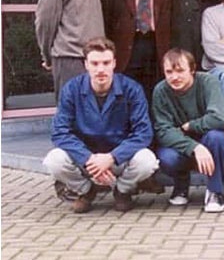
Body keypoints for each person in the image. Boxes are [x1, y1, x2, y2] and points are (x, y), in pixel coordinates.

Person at [43, 37, 157, 213]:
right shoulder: (71, 89)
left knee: (147, 161)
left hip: (119, 159)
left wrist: (111, 158)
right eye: (95, 63)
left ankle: (122, 191)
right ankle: (86, 191)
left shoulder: (132, 89)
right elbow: (59, 132)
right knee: (53, 161)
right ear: (86, 64)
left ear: (114, 63)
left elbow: (143, 133)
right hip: (86, 160)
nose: (101, 69)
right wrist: (89, 159)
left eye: (106, 62)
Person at [152, 48, 224, 213]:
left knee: (217, 137)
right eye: (169, 72)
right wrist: (194, 147)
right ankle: (181, 185)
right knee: (167, 157)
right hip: (182, 144)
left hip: (208, 139)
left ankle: (215, 191)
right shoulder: (160, 91)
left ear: (193, 70)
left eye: (180, 71)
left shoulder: (208, 82)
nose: (174, 77)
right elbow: (163, 130)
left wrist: (191, 126)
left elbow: (222, 118)